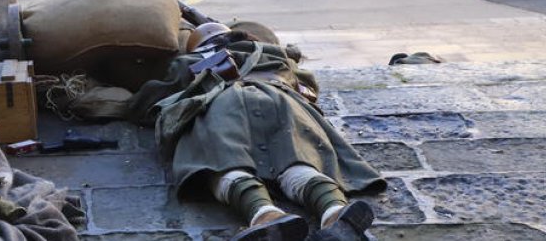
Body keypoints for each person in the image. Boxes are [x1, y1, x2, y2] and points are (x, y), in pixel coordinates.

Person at [128, 23, 383, 241]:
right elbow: (307, 86)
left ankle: (263, 213)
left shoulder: (187, 62)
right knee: (299, 157)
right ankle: (333, 209)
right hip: (278, 98)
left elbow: (147, 103)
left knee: (222, 161)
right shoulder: (274, 54)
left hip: (221, 103)